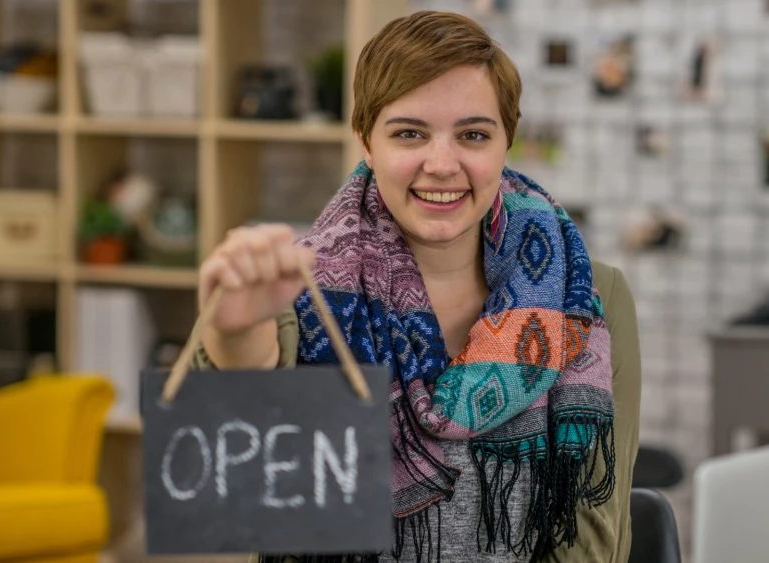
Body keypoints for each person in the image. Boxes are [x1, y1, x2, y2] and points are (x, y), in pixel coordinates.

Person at [193, 10, 641, 563]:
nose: (442, 163)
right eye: (409, 133)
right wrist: (234, 333)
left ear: (507, 141)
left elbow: (591, 537)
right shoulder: (301, 287)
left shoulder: (587, 294)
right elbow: (227, 458)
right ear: (366, 141)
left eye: (473, 134)